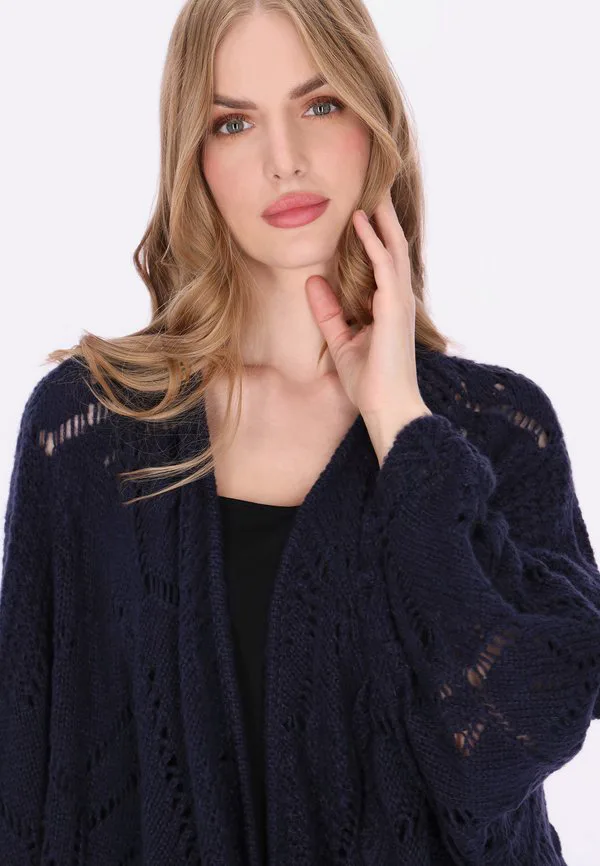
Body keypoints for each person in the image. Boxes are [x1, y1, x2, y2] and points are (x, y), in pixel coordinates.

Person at [2, 1, 599, 864]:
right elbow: (29, 786)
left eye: (320, 105)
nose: (284, 159)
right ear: (195, 158)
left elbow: (530, 724)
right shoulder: (89, 433)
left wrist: (400, 421)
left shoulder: (497, 432)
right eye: (234, 122)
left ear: (375, 120)